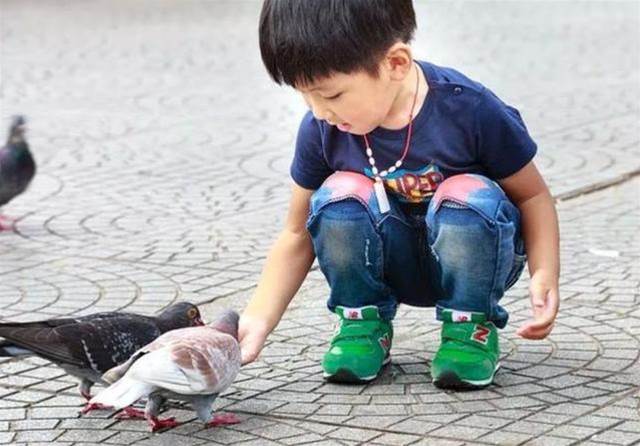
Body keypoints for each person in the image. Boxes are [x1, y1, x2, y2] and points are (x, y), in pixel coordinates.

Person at [238, 0, 560, 389]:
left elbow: (532, 196)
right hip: (389, 261)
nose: (320, 111)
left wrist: (544, 273)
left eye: (332, 95)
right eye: (305, 96)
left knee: (465, 193)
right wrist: (257, 318)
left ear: (396, 64)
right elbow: (295, 233)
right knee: (339, 194)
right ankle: (362, 323)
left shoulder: (470, 110)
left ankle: (469, 329)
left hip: (473, 258)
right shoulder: (323, 128)